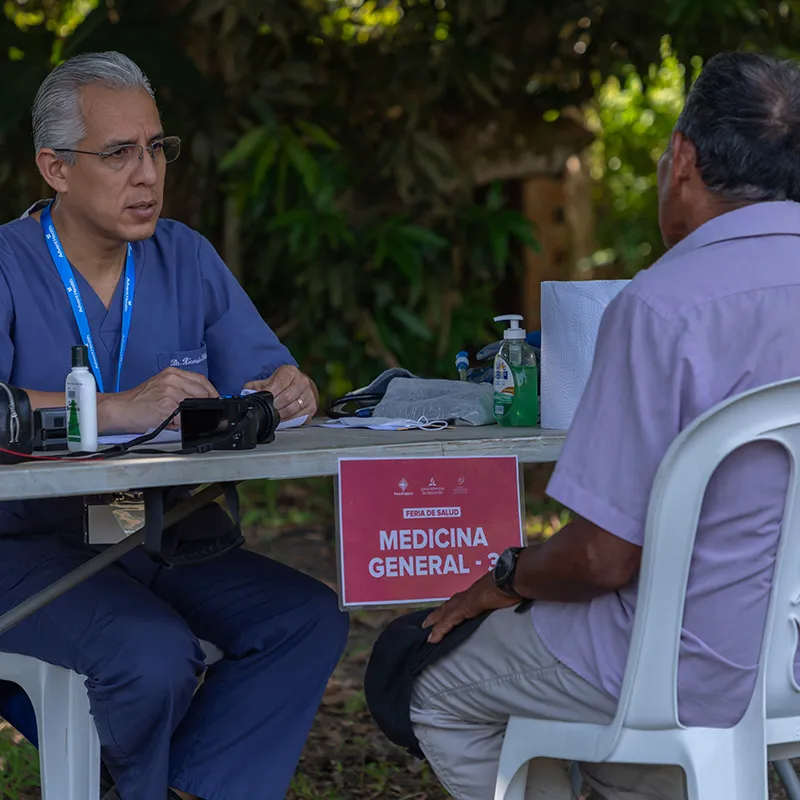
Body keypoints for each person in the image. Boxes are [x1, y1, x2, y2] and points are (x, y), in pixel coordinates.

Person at [407, 51, 800, 800]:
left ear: (681, 159)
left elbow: (600, 561)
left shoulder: (664, 305)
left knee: (431, 685)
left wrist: (505, 578)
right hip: (790, 666)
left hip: (686, 672)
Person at [0, 51, 349, 800]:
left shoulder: (184, 255)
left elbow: (271, 376)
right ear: (55, 169)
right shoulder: (5, 264)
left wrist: (289, 389)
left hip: (157, 529)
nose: (148, 173)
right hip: (23, 543)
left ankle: (184, 790)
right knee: (151, 651)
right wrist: (112, 408)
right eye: (120, 153)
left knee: (304, 618)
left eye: (157, 148)